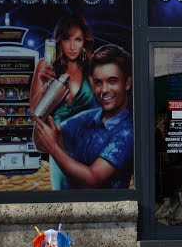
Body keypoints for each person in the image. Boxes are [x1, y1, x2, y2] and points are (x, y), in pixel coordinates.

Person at [32, 44, 133, 189]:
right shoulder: (86, 118)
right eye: (98, 82)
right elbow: (41, 144)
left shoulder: (128, 131)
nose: (104, 90)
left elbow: (92, 178)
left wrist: (53, 148)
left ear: (127, 83)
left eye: (112, 81)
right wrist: (47, 97)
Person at [29, 14, 98, 190]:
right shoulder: (46, 65)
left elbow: (101, 108)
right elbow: (35, 112)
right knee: (62, 200)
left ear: (85, 42)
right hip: (58, 145)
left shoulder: (90, 68)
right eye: (67, 39)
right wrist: (44, 86)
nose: (73, 47)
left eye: (78, 40)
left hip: (86, 145)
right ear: (59, 41)